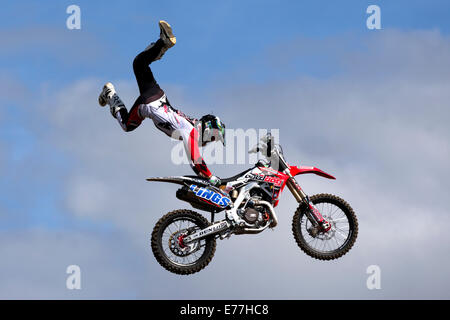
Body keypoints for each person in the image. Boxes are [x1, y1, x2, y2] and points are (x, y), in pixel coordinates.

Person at [98, 20, 225, 186]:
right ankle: (111, 96)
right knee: (127, 126)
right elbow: (195, 160)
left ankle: (162, 44)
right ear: (207, 130)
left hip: (157, 95)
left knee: (139, 63)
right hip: (149, 105)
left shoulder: (191, 125)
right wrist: (210, 177)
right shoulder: (191, 132)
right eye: (212, 138)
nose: (208, 143)